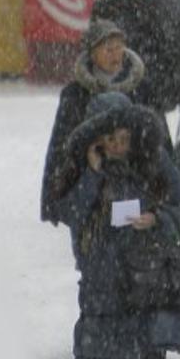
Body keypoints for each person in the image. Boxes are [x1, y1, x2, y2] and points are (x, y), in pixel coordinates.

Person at [55, 89, 180, 359]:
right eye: (109, 137)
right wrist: (94, 173)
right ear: (96, 139)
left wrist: (157, 218)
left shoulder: (154, 160)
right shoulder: (85, 169)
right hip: (105, 281)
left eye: (123, 135)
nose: (118, 144)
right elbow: (71, 214)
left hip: (150, 277)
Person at [41, 19, 145, 227]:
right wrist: (51, 199)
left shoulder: (140, 88)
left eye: (119, 48)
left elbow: (157, 136)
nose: (116, 55)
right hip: (91, 176)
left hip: (134, 179)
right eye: (108, 50)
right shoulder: (75, 94)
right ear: (92, 54)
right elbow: (60, 144)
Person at [91, 0, 180, 147]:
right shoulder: (108, 9)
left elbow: (176, 51)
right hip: (120, 89)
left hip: (152, 91)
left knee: (154, 149)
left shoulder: (160, 10)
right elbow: (93, 50)